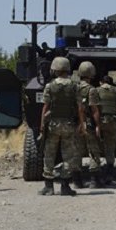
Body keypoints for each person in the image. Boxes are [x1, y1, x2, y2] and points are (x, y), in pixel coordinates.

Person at [36, 57, 86, 196]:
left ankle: (49, 187)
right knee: (68, 155)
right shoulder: (74, 86)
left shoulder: (49, 86)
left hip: (53, 125)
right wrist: (82, 124)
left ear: (55, 69)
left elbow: (45, 107)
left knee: (49, 154)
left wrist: (41, 126)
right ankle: (65, 186)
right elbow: (80, 107)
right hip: (69, 125)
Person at [75, 61, 105, 188]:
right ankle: (94, 180)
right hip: (88, 123)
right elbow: (94, 109)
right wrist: (98, 125)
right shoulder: (91, 90)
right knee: (93, 150)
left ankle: (77, 181)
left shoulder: (73, 87)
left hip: (76, 123)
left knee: (76, 151)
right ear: (91, 74)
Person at [96, 75, 116, 184]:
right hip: (113, 121)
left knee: (96, 146)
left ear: (101, 82)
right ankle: (109, 174)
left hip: (100, 121)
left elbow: (93, 107)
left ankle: (96, 173)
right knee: (110, 146)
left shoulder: (96, 90)